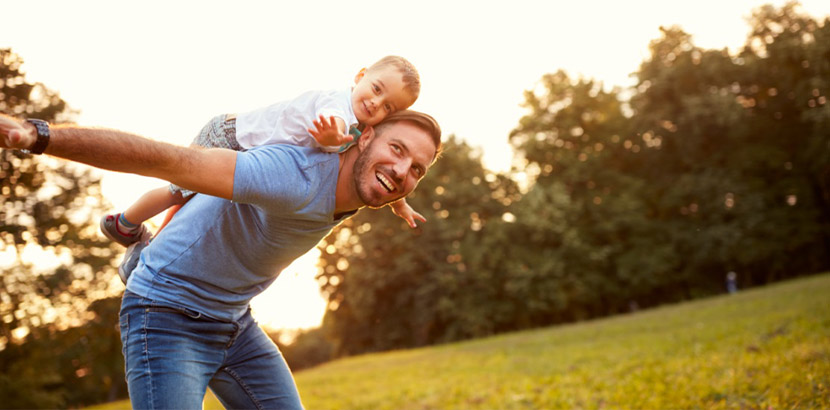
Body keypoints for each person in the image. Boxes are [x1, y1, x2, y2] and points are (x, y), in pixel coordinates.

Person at [0, 109, 441, 409]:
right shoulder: (291, 175)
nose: (403, 171)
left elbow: (383, 173)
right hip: (166, 315)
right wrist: (37, 135)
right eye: (397, 150)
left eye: (417, 169)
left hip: (232, 321)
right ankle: (138, 251)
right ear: (363, 138)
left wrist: (396, 193)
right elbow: (166, 159)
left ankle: (142, 253)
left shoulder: (362, 179)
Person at [100, 56, 426, 251]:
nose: (375, 103)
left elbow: (372, 166)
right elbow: (331, 130)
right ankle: (124, 223)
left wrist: (400, 203)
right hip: (230, 137)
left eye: (388, 107)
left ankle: (155, 243)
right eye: (377, 89)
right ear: (360, 76)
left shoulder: (358, 125)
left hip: (245, 150)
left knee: (192, 201)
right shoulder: (339, 105)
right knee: (179, 193)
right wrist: (331, 138)